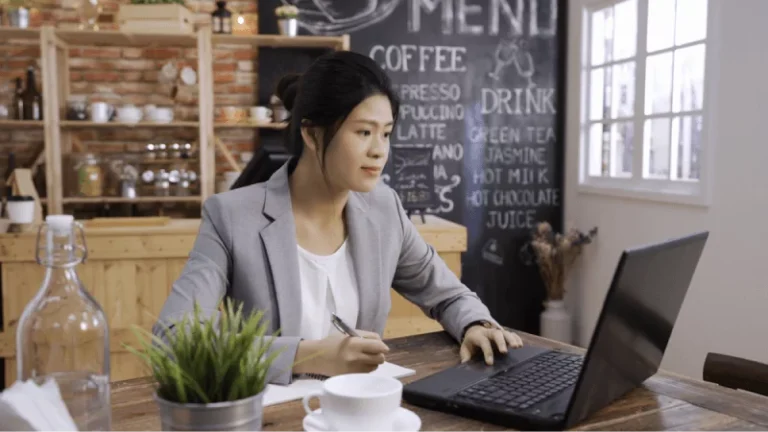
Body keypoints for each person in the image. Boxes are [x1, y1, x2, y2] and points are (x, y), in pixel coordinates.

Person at [153, 50, 523, 386]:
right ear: (312, 134)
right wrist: (309, 355)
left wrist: (475, 323)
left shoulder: (384, 209)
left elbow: (447, 294)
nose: (379, 151)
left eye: (386, 134)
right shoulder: (231, 217)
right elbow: (172, 337)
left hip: (362, 411)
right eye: (363, 132)